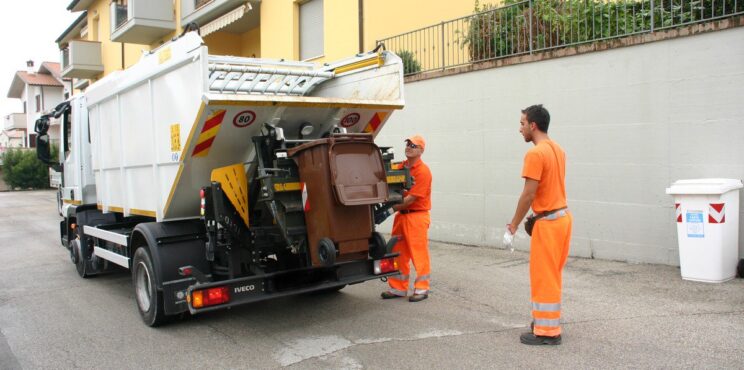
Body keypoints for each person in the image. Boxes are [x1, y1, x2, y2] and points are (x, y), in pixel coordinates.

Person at [506, 105, 572, 345]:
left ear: (533, 125)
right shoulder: (558, 150)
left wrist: (514, 223)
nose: (520, 128)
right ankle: (546, 321)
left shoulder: (535, 154)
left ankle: (547, 332)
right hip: (562, 218)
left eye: (522, 123)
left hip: (549, 224)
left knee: (544, 276)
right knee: (553, 274)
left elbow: (528, 194)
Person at [380, 135, 432, 302]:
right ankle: (398, 288)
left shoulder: (423, 171)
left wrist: (389, 210)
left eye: (414, 145)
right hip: (401, 217)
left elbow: (411, 199)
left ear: (421, 151)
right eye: (408, 144)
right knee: (397, 253)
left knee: (418, 253)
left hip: (416, 217)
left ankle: (422, 289)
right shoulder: (400, 166)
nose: (409, 147)